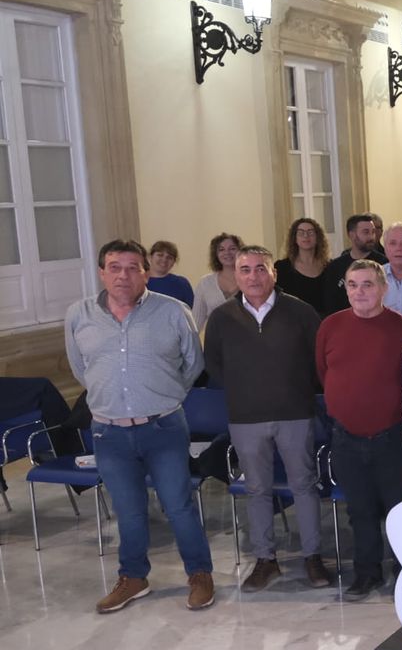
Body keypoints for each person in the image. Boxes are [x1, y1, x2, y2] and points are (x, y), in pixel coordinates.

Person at [68, 240, 212, 614]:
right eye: (115, 267)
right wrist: (112, 399)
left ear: (145, 273)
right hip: (109, 433)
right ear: (102, 272)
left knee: (178, 506)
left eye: (133, 267)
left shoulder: (174, 311)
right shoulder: (79, 315)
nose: (124, 275)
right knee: (128, 511)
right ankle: (133, 578)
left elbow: (193, 364)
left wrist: (162, 396)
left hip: (163, 427)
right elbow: (81, 369)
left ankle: (199, 574)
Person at [204, 245, 328, 591]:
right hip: (246, 418)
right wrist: (246, 390)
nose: (253, 276)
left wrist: (295, 389)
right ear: (236, 275)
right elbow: (214, 364)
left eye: (261, 268)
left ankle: (313, 557)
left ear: (274, 273)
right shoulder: (222, 317)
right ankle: (265, 559)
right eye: (245, 270)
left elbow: (319, 361)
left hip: (295, 414)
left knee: (304, 485)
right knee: (257, 489)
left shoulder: (300, 312)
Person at [315, 259, 402, 599]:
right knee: (359, 510)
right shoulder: (330, 326)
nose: (359, 292)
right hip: (346, 437)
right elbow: (323, 372)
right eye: (352, 285)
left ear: (383, 288)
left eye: (367, 284)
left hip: (393, 436)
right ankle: (367, 573)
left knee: (399, 510)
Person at [322, 213, 387, 315]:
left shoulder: (383, 263)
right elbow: (330, 303)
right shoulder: (335, 267)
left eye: (373, 232)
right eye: (366, 232)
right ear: (352, 235)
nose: (371, 237)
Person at [275, 218, 329, 314]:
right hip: (294, 320)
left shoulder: (331, 267)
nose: (306, 236)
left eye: (310, 232)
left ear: (318, 237)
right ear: (294, 238)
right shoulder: (282, 268)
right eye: (301, 233)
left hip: (326, 321)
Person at [192, 232, 242, 334]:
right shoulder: (205, 283)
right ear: (216, 254)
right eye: (221, 249)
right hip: (215, 340)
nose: (227, 253)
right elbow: (195, 325)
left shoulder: (250, 279)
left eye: (232, 248)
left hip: (247, 339)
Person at [146, 240, 194, 307]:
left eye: (169, 257)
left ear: (174, 262)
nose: (164, 260)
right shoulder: (140, 282)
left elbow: (191, 310)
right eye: (160, 255)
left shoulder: (182, 284)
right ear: (150, 257)